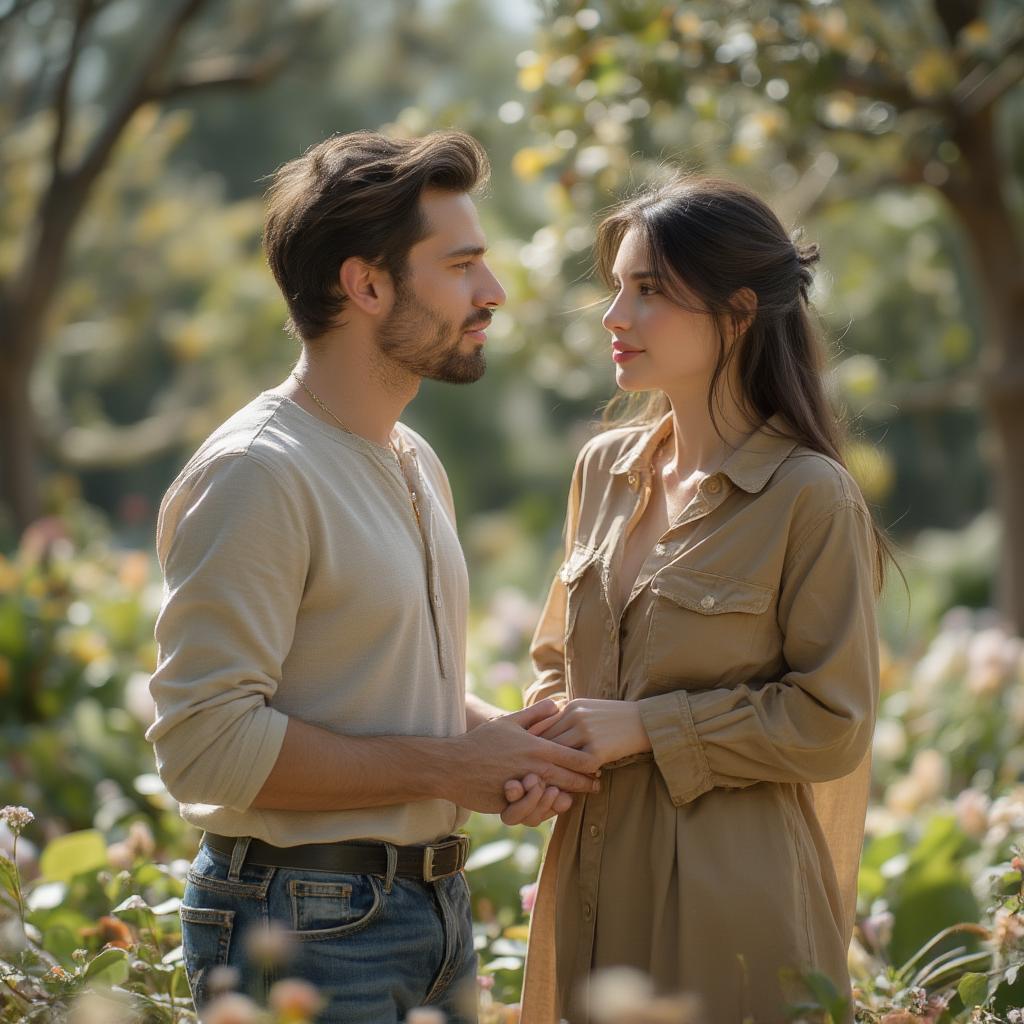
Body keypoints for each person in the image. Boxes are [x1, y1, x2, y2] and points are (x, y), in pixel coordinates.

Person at [145, 129, 601, 1024]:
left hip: (431, 913)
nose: (493, 292)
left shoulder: (413, 457)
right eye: (463, 264)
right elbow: (204, 744)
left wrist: (502, 747)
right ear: (366, 285)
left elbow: (370, 685)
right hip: (303, 926)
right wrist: (451, 765)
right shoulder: (258, 473)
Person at [508, 177, 890, 1024]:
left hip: (730, 911)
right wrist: (546, 747)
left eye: (647, 291)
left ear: (738, 312)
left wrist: (646, 727)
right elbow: (554, 662)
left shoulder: (809, 496)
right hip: (589, 888)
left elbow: (835, 722)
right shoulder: (601, 471)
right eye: (616, 288)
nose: (614, 315)